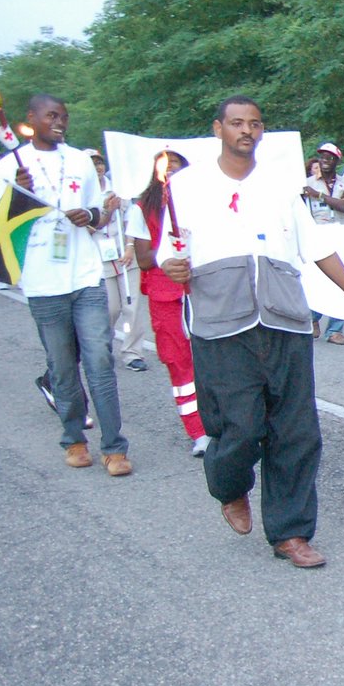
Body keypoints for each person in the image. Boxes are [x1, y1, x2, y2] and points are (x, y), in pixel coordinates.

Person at [161, 96, 344, 568]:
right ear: (218, 129)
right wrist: (173, 266)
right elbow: (167, 251)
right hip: (221, 325)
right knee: (238, 428)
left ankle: (291, 533)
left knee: (296, 430)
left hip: (284, 320)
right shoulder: (184, 186)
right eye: (237, 123)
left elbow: (318, 246)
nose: (247, 131)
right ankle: (229, 486)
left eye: (255, 124)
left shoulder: (282, 186)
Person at [0, 94, 132, 475]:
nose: (60, 122)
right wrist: (16, 195)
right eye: (52, 116)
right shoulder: (9, 166)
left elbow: (101, 214)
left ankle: (114, 447)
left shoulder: (79, 161)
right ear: (31, 119)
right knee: (62, 365)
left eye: (64, 117)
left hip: (86, 276)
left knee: (100, 360)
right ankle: (74, 438)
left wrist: (88, 213)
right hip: (42, 281)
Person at [128, 149, 209, 457]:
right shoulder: (142, 208)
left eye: (177, 168)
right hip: (166, 296)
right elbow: (144, 258)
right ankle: (197, 430)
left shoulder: (201, 202)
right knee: (179, 362)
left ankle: (223, 423)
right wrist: (170, 250)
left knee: (214, 360)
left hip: (202, 290)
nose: (171, 175)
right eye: (166, 170)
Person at [89, 149, 148, 371]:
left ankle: (133, 353)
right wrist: (105, 210)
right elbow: (87, 227)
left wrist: (131, 247)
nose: (98, 168)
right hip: (99, 258)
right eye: (93, 164)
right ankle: (101, 347)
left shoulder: (119, 189)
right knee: (111, 308)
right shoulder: (83, 194)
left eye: (100, 163)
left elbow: (130, 219)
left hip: (125, 255)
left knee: (131, 306)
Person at [303, 143, 344, 344]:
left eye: (330, 157)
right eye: (322, 157)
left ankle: (335, 330)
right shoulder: (306, 182)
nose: (325, 161)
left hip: (341, 234)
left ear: (336, 161)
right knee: (319, 281)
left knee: (343, 281)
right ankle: (313, 318)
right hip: (318, 235)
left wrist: (319, 195)